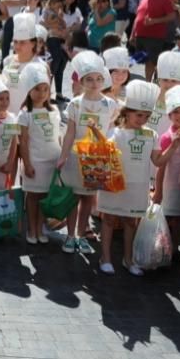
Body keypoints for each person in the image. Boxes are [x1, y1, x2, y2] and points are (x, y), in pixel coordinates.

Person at [57, 51, 118, 254]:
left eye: (98, 78)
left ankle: (82, 235)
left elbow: (109, 132)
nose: (94, 83)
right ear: (82, 81)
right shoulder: (75, 104)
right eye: (89, 79)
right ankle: (70, 235)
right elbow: (70, 132)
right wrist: (63, 155)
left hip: (96, 159)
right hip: (76, 156)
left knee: (88, 198)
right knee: (73, 197)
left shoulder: (109, 105)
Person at [99, 81, 163, 276]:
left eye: (146, 116)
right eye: (138, 115)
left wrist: (175, 146)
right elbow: (105, 152)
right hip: (115, 184)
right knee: (109, 219)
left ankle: (128, 259)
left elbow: (158, 161)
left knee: (131, 222)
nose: (142, 119)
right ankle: (105, 257)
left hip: (138, 186)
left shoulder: (152, 134)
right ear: (126, 112)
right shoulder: (116, 133)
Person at [17, 62, 60, 244]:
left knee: (45, 196)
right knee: (33, 196)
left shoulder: (55, 110)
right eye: (37, 89)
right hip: (35, 161)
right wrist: (27, 164)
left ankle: (41, 227)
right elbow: (23, 141)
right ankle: (31, 229)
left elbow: (58, 137)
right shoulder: (25, 113)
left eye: (45, 89)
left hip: (52, 160)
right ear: (28, 91)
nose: (42, 93)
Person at [153, 85, 180, 250]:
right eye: (176, 112)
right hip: (170, 184)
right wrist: (158, 191)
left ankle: (174, 248)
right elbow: (160, 166)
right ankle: (163, 249)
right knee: (167, 217)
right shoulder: (166, 137)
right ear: (169, 115)